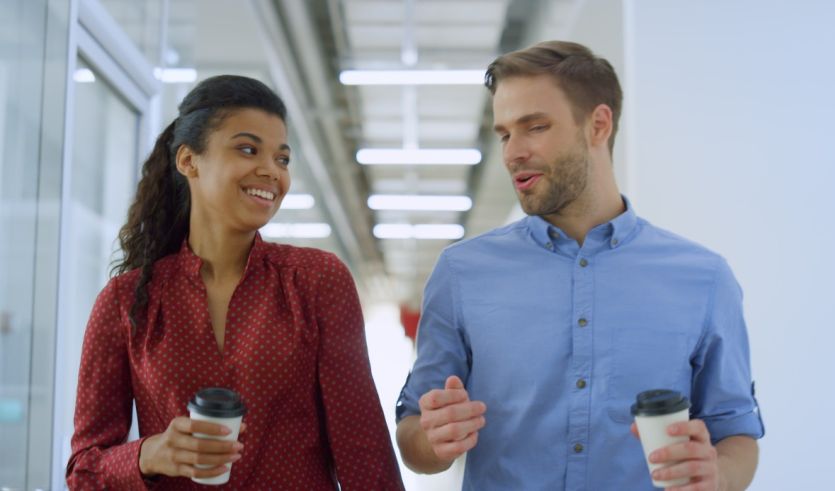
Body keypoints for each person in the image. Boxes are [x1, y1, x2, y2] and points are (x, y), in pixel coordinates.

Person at [395, 41, 764, 490]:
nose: (513, 152)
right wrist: (432, 441)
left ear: (598, 124)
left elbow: (736, 431)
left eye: (535, 127)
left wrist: (717, 476)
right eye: (505, 134)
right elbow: (414, 433)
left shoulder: (705, 279)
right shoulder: (461, 273)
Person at [66, 75, 404, 490]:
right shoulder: (125, 301)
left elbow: (363, 452)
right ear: (189, 161)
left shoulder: (316, 280)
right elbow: (84, 470)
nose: (271, 171)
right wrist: (150, 454)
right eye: (248, 149)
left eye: (282, 159)